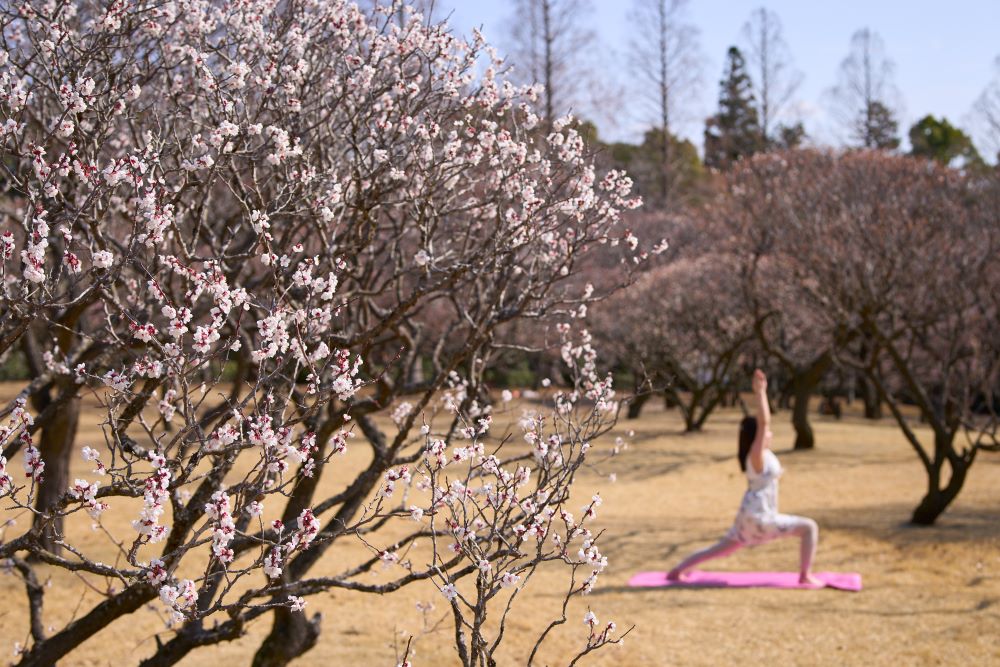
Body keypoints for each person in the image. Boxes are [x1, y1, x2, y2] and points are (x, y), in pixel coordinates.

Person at [667, 369, 821, 585]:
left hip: (749, 516)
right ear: (756, 436)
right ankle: (805, 575)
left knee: (719, 549)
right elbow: (764, 423)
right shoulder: (755, 456)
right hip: (760, 517)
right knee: (809, 528)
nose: (770, 434)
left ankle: (678, 570)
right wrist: (761, 393)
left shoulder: (761, 456)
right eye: (765, 433)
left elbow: (765, 428)